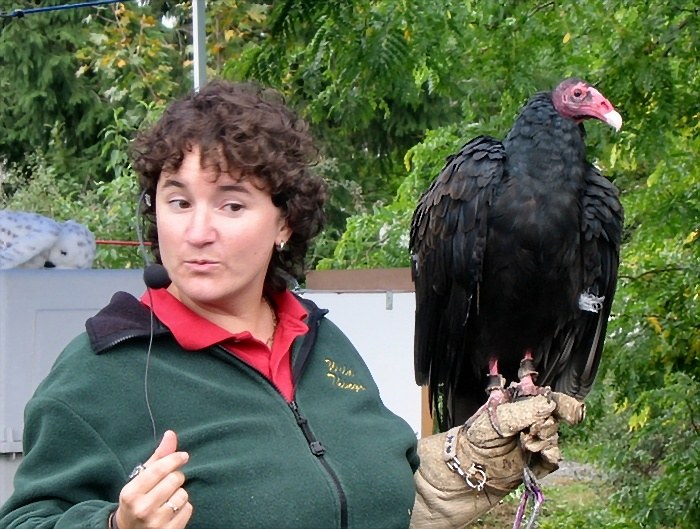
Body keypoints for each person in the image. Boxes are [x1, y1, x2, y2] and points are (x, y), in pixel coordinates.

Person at [0, 80, 584, 529]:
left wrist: (471, 455)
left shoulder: (322, 344)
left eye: (231, 205)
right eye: (177, 201)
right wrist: (114, 524)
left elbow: (373, 492)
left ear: (284, 222)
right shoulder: (101, 371)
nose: (197, 231)